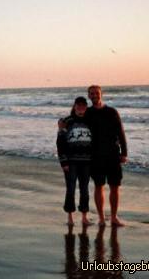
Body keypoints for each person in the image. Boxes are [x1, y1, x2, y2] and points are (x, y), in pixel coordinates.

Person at [86, 85, 128, 227]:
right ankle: (102, 218)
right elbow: (74, 120)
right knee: (99, 186)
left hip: (113, 154)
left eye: (96, 93)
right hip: (95, 156)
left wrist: (124, 153)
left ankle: (114, 217)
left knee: (114, 186)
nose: (94, 96)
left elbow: (121, 133)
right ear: (88, 96)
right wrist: (62, 125)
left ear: (101, 94)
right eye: (91, 94)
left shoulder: (111, 112)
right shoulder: (87, 113)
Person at [56, 96, 92, 226]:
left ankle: (84, 216)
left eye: (83, 105)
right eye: (78, 105)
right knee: (70, 189)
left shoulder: (90, 121)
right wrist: (63, 162)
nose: (81, 107)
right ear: (74, 106)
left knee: (85, 189)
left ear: (86, 107)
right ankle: (70, 217)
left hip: (87, 162)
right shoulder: (66, 121)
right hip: (71, 162)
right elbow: (60, 143)